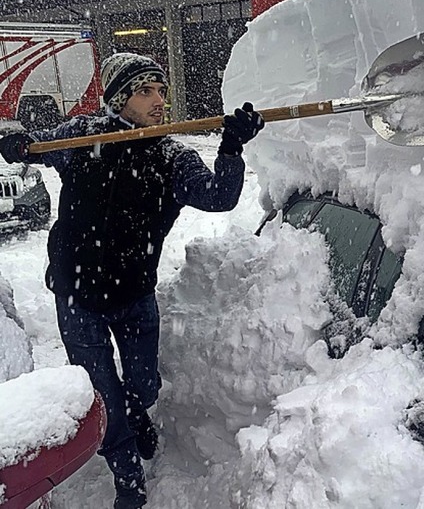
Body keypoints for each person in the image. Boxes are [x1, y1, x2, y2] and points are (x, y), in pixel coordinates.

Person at [0, 52, 264, 508]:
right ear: (118, 99)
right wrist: (16, 141)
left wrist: (231, 148)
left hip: (134, 294)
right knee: (103, 395)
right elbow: (34, 146)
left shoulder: (170, 156)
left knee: (144, 385)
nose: (159, 100)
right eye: (146, 92)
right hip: (76, 294)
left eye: (161, 91)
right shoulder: (83, 136)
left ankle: (135, 411)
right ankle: (128, 480)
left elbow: (220, 197)